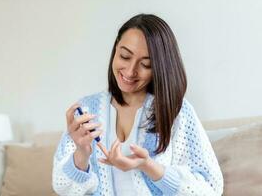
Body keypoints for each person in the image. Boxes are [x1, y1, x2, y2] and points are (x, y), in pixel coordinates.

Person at [52, 14, 223, 196]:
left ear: (159, 67)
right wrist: (81, 153)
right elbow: (61, 186)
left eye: (146, 64)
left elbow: (210, 188)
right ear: (115, 49)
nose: (131, 71)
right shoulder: (87, 109)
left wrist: (148, 166)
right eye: (125, 56)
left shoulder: (176, 112)